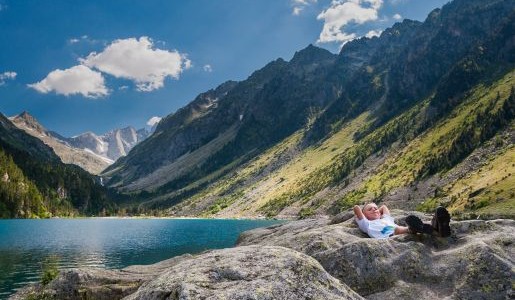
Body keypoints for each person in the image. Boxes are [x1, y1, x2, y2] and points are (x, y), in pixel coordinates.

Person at [353, 203, 451, 239]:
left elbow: (383, 207)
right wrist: (362, 215)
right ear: (364, 215)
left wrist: (377, 211)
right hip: (389, 236)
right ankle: (414, 228)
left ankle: (437, 228)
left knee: (402, 228)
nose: (374, 209)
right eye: (370, 209)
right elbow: (356, 208)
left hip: (397, 230)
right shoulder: (367, 224)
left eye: (375, 208)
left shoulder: (386, 218)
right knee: (398, 229)